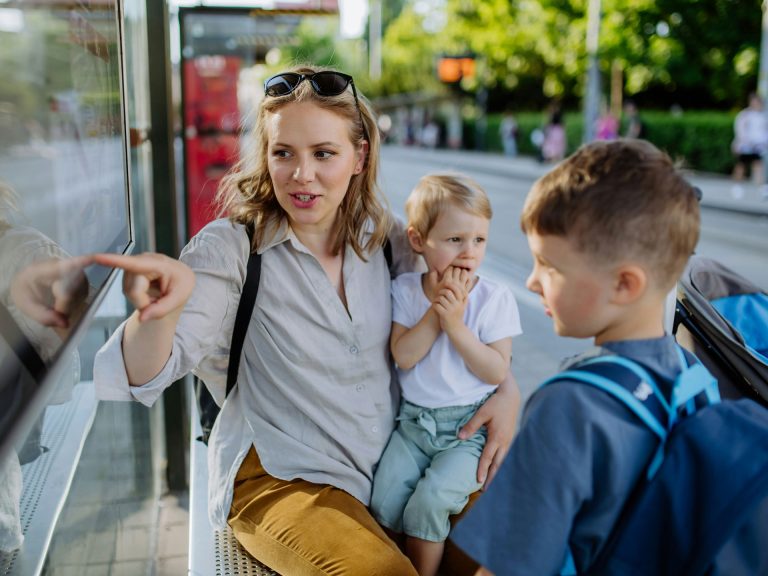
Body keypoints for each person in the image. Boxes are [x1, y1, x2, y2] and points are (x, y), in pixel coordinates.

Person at [90, 66, 520, 576]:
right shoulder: (230, 249)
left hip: (398, 460)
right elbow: (140, 375)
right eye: (284, 153)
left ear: (359, 156)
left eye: (323, 153)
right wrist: (156, 314)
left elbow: (464, 313)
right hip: (282, 478)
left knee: (504, 558)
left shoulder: (388, 241)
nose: (302, 175)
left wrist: (508, 392)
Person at [450, 139, 704, 574]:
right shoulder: (693, 375)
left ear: (625, 284)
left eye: (549, 266)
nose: (531, 282)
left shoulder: (570, 406)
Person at [370, 174, 522, 576]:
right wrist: (437, 316)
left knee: (430, 501)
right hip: (413, 426)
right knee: (384, 500)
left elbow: (495, 369)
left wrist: (456, 324)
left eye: (479, 240)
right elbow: (403, 355)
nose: (468, 252)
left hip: (467, 432)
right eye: (455, 240)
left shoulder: (493, 299)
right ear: (419, 241)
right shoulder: (405, 289)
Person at [731, 92, 768, 199]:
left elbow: (764, 132)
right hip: (745, 147)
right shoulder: (745, 115)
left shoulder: (762, 116)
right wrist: (743, 142)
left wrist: (764, 143)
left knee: (758, 166)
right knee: (741, 166)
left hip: (757, 147)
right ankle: (737, 187)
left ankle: (761, 189)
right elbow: (740, 131)